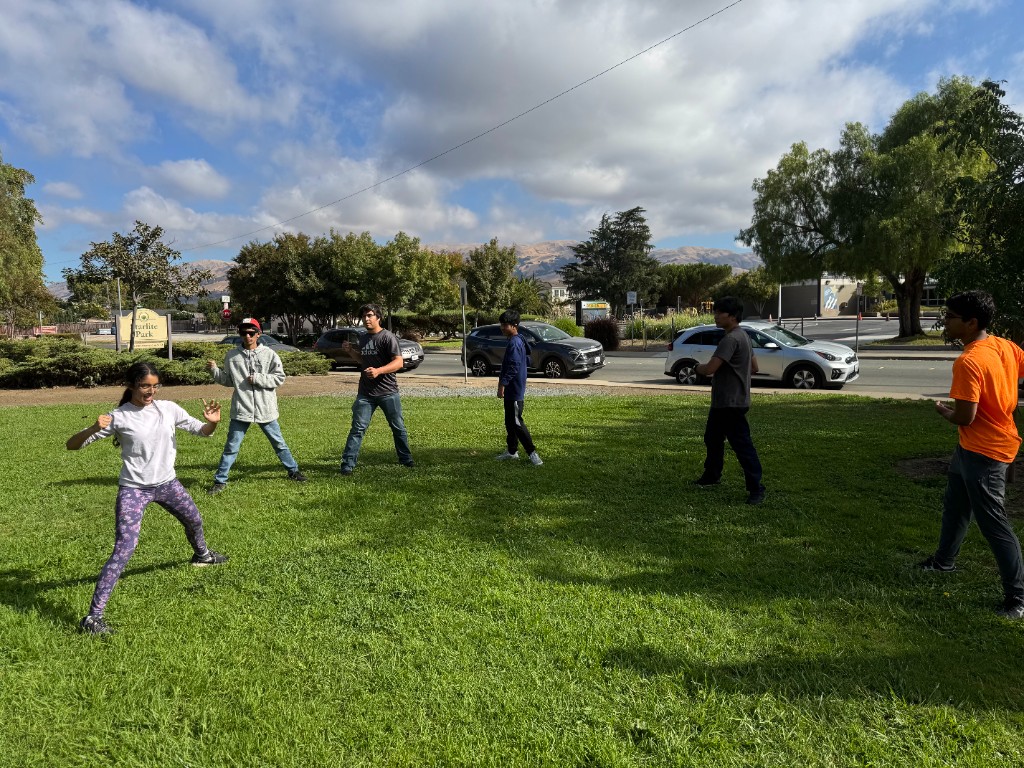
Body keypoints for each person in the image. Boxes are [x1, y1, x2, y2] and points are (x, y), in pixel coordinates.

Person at [66, 362, 229, 636]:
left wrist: (212, 424)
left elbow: (201, 431)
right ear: (131, 385)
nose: (150, 391)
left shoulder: (168, 409)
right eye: (145, 386)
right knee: (124, 549)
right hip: (134, 490)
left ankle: (202, 555)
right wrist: (93, 427)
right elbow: (72, 445)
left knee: (194, 520)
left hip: (167, 484)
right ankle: (93, 617)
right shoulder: (119, 417)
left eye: (154, 386)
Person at [920, 290, 1024, 620]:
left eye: (950, 317)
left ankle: (1018, 598)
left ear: (971, 322)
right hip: (970, 447)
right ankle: (943, 562)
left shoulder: (969, 361)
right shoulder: (1005, 345)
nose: (944, 321)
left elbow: (965, 416)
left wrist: (943, 412)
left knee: (993, 523)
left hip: (987, 451)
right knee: (955, 504)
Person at [206, 317, 306, 494]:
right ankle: (220, 480)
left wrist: (259, 378)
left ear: (259, 334)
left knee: (279, 443)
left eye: (251, 333)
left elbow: (279, 377)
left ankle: (293, 471)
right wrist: (214, 370)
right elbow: (229, 380)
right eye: (243, 332)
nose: (247, 336)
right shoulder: (232, 356)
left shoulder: (269, 354)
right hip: (241, 409)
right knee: (231, 446)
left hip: (265, 408)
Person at [694, 296, 766, 505]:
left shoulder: (730, 339)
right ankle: (711, 476)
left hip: (729, 403)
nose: (715, 316)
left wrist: (696, 367)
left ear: (732, 316)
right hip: (729, 401)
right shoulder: (744, 336)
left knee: (742, 446)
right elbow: (754, 368)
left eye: (719, 313)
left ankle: (756, 489)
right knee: (712, 438)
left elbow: (709, 369)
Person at [338, 303, 414, 474]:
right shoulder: (363, 338)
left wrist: (379, 371)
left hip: (388, 392)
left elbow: (399, 362)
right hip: (366, 393)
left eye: (370, 315)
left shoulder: (388, 337)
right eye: (364, 316)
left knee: (397, 427)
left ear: (378, 318)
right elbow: (362, 359)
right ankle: (347, 465)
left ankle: (406, 460)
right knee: (358, 428)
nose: (366, 319)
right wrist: (351, 351)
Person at [495, 309, 542, 465]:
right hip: (512, 389)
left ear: (514, 326)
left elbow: (514, 366)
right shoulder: (519, 339)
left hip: (514, 389)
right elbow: (527, 358)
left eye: (505, 325)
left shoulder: (515, 342)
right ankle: (512, 451)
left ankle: (532, 453)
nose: (502, 327)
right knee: (509, 421)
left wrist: (503, 384)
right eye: (501, 324)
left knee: (516, 422)